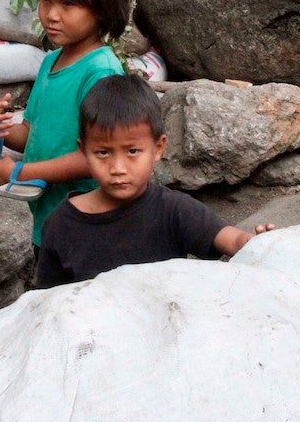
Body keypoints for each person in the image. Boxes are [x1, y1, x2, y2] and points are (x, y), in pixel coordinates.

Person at [36, 75, 275, 288]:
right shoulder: (60, 225)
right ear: (84, 150)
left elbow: (230, 239)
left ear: (158, 148)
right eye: (103, 153)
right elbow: (47, 306)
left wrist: (254, 244)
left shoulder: (174, 209)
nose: (118, 169)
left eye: (132, 151)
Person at [0, 0, 131, 260]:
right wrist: (1, 128)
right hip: (49, 218)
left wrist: (19, 172)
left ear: (103, 9)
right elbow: (35, 135)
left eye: (68, 4)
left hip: (88, 226)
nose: (51, 14)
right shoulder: (51, 62)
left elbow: (97, 157)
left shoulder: (100, 72)